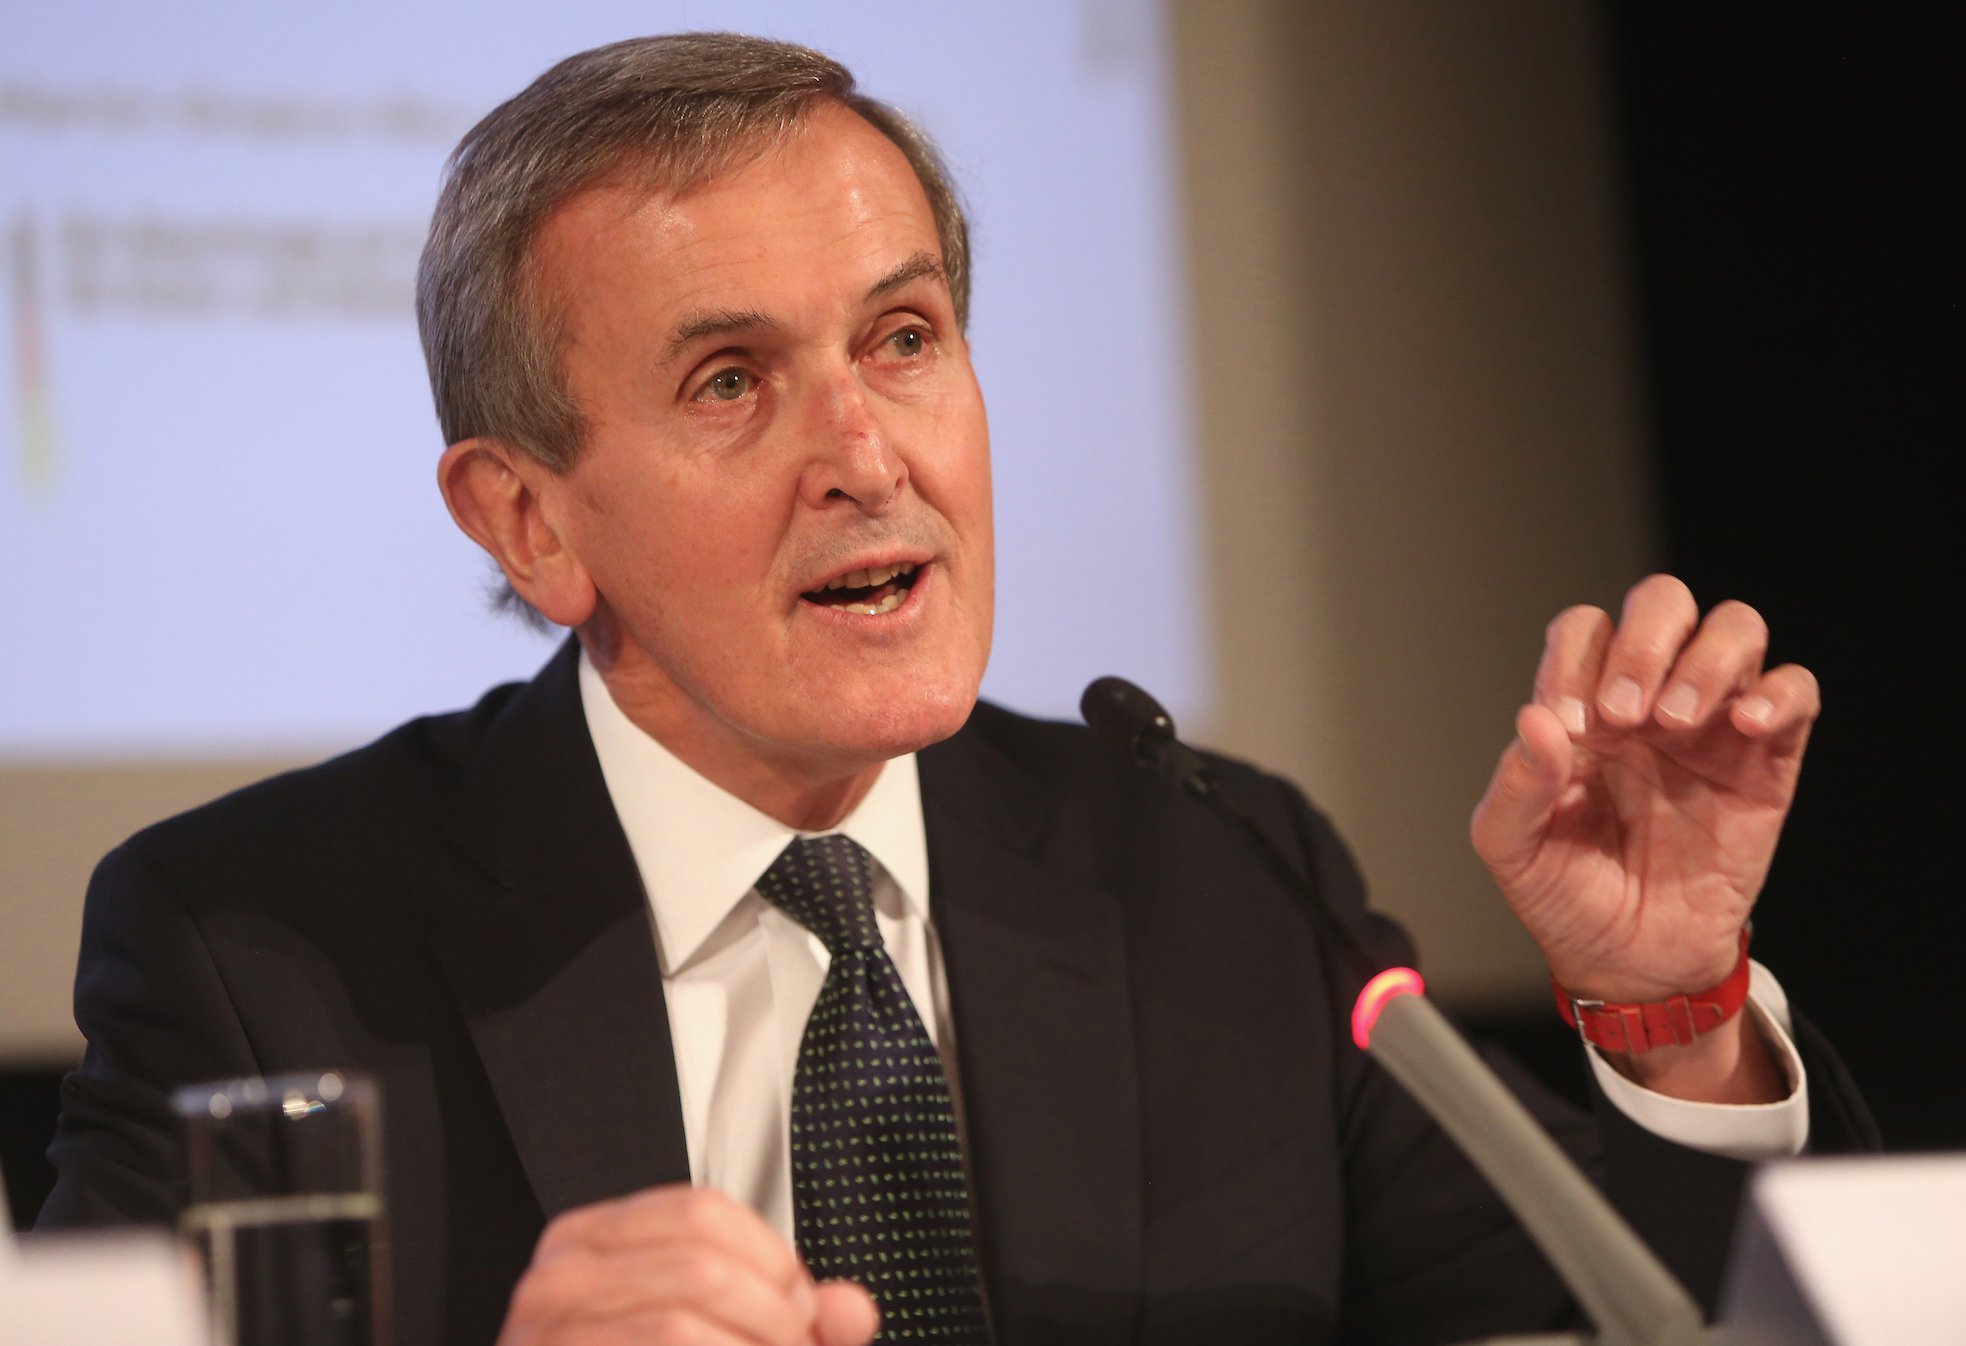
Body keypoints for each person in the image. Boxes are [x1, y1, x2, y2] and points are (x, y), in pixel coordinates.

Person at [39, 33, 1873, 1346]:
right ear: (529, 521)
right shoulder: (256, 951)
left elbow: (1629, 1323)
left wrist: (1670, 1009)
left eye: (904, 340)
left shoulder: (1218, 876)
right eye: (732, 382)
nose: (865, 452)